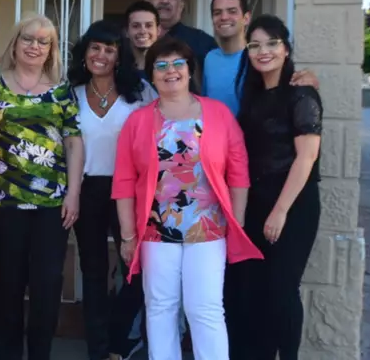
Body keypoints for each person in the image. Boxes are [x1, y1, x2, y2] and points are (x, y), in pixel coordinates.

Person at [112, 36, 262, 360]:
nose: (171, 71)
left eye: (178, 63)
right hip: (155, 230)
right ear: (152, 75)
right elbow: (124, 181)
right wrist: (128, 235)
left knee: (205, 309)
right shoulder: (137, 121)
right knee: (160, 308)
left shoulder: (218, 114)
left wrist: (235, 223)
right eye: (161, 65)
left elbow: (238, 172)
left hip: (208, 228)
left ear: (190, 69)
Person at [0, 14, 84, 360]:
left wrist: (73, 193)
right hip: (4, 203)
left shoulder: (62, 90)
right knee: (8, 285)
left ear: (51, 49)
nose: (34, 46)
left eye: (43, 41)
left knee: (47, 286)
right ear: (15, 42)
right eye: (28, 38)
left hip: (52, 206)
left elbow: (73, 141)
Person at [233, 15, 323, 360]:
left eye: (271, 43)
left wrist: (280, 211)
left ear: (286, 49)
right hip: (257, 200)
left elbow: (306, 157)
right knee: (255, 290)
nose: (263, 51)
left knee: (283, 289)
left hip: (293, 204)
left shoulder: (301, 94)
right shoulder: (253, 97)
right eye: (255, 45)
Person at [68, 20, 156, 360]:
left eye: (109, 49)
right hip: (87, 187)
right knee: (93, 272)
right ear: (85, 52)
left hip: (129, 191)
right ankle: (99, 350)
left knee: (136, 269)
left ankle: (118, 338)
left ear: (120, 55)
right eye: (95, 47)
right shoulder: (71, 93)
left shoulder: (140, 93)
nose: (101, 55)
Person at [145, 0, 217, 63]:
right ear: (147, 2)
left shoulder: (203, 42)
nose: (164, 0)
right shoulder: (135, 40)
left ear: (181, 5)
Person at [123, 1, 160, 77]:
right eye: (136, 26)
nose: (143, 31)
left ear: (158, 30)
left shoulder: (168, 69)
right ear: (126, 31)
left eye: (149, 25)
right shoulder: (117, 71)